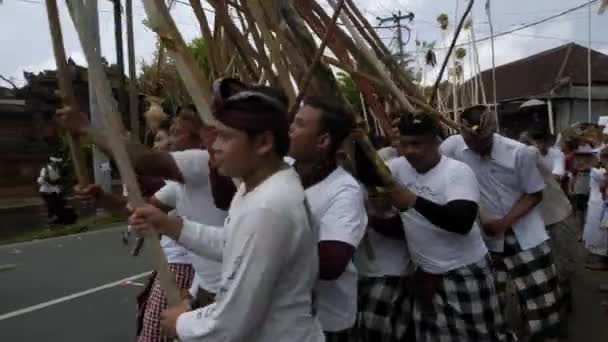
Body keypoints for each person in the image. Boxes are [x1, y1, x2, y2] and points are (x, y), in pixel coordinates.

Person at [128, 84, 324, 341]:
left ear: (264, 143)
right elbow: (230, 244)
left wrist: (181, 323)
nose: (215, 147)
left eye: (226, 137)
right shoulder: (256, 189)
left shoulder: (269, 206)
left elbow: (233, 321)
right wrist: (168, 224)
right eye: (213, 136)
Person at [378, 112, 508, 341]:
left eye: (417, 144)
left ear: (435, 142)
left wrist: (413, 201)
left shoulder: (457, 172)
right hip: (425, 274)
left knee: (483, 335)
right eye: (404, 144)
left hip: (465, 272)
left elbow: (462, 222)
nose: (409, 151)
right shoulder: (396, 168)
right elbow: (366, 171)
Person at [440, 105, 561, 341]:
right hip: (485, 241)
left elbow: (534, 194)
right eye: (471, 140)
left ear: (493, 130)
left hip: (525, 235)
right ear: (462, 133)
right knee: (491, 301)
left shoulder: (520, 153)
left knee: (541, 301)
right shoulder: (452, 147)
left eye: (483, 140)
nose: (477, 146)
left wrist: (504, 223)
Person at [288, 97, 367, 341]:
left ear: (323, 141)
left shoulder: (345, 190)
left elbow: (331, 263)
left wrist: (262, 247)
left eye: (299, 124)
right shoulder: (283, 170)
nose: (290, 128)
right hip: (285, 319)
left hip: (327, 323)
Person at [354, 150, 414, 342]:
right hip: (364, 272)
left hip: (391, 274)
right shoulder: (351, 185)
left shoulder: (398, 178)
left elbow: (406, 227)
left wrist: (367, 218)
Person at [583, 147, 608, 271]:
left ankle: (604, 262)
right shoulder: (602, 171)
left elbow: (603, 189)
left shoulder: (600, 172)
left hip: (603, 206)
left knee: (604, 235)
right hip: (602, 206)